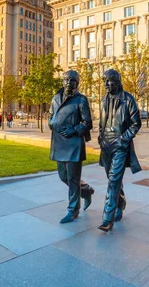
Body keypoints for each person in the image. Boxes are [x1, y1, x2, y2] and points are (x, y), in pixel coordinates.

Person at [97, 69, 142, 232]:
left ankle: (107, 219)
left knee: (114, 179)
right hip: (106, 145)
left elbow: (136, 123)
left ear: (117, 81)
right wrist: (101, 138)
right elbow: (101, 123)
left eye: (109, 81)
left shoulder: (128, 99)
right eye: (105, 81)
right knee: (112, 178)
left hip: (120, 145)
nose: (107, 84)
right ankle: (120, 202)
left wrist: (123, 139)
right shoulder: (103, 100)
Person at [48, 70, 95, 223]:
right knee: (63, 176)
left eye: (72, 80)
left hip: (74, 143)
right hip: (59, 142)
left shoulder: (81, 100)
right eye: (66, 80)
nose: (69, 83)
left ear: (77, 83)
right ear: (62, 81)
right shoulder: (55, 98)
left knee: (73, 179)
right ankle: (86, 190)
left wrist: (74, 130)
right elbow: (50, 116)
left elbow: (87, 122)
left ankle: (73, 210)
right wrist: (51, 123)